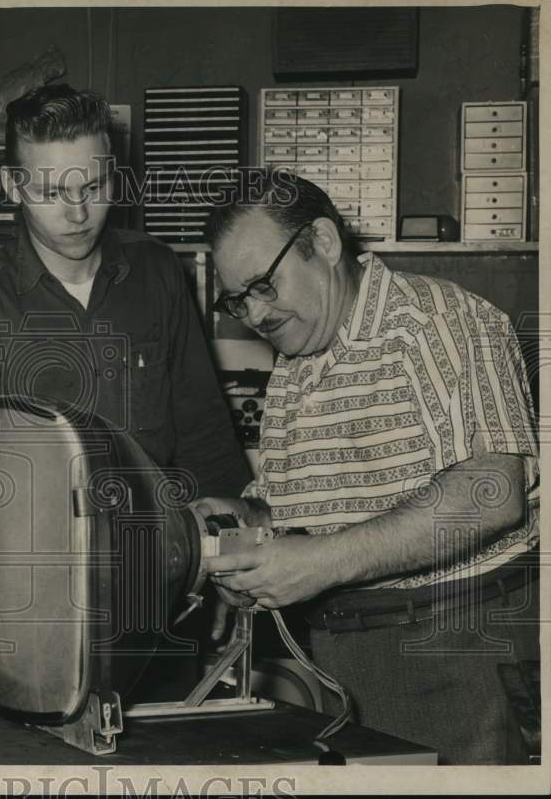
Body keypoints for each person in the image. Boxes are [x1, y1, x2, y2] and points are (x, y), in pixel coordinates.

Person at [0, 83, 252, 698]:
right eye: (52, 193)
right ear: (12, 189)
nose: (78, 212)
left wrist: (227, 561)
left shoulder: (159, 274)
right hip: (33, 614)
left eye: (93, 187)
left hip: (158, 595)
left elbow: (204, 432)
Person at [199, 170, 540, 764]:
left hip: (457, 652)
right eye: (237, 300)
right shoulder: (296, 363)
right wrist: (240, 521)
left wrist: (318, 563)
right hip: (346, 666)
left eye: (262, 285)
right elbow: (293, 511)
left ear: (325, 242)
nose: (254, 313)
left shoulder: (442, 322)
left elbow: (492, 493)